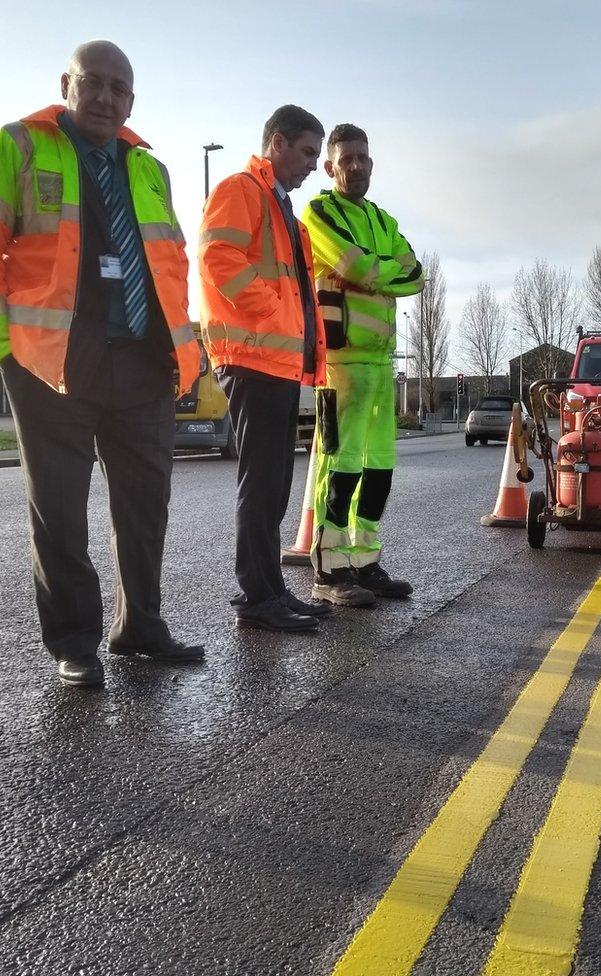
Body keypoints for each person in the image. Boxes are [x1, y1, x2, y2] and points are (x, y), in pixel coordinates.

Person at [0, 40, 205, 688]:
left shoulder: (149, 167)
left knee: (146, 504)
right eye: (94, 83)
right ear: (68, 82)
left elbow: (172, 265)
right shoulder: (19, 145)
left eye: (119, 89)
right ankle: (74, 642)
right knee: (59, 509)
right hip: (52, 359)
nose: (105, 97)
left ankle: (140, 625)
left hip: (142, 360)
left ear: (132, 100)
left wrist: (185, 353)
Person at [199, 105, 330, 632]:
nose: (312, 166)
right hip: (251, 356)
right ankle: (257, 596)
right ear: (275, 143)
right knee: (261, 480)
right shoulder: (241, 190)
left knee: (275, 480)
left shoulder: (282, 211)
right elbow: (217, 259)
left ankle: (271, 589)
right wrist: (274, 315)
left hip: (274, 360)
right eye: (306, 152)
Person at [301, 124, 425, 606]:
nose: (356, 166)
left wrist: (376, 271)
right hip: (340, 361)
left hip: (379, 362)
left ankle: (365, 562)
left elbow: (416, 273)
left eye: (363, 159)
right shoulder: (320, 212)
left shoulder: (381, 218)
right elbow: (358, 268)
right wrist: (378, 271)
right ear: (331, 167)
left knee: (379, 466)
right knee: (341, 463)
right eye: (346, 159)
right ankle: (330, 572)